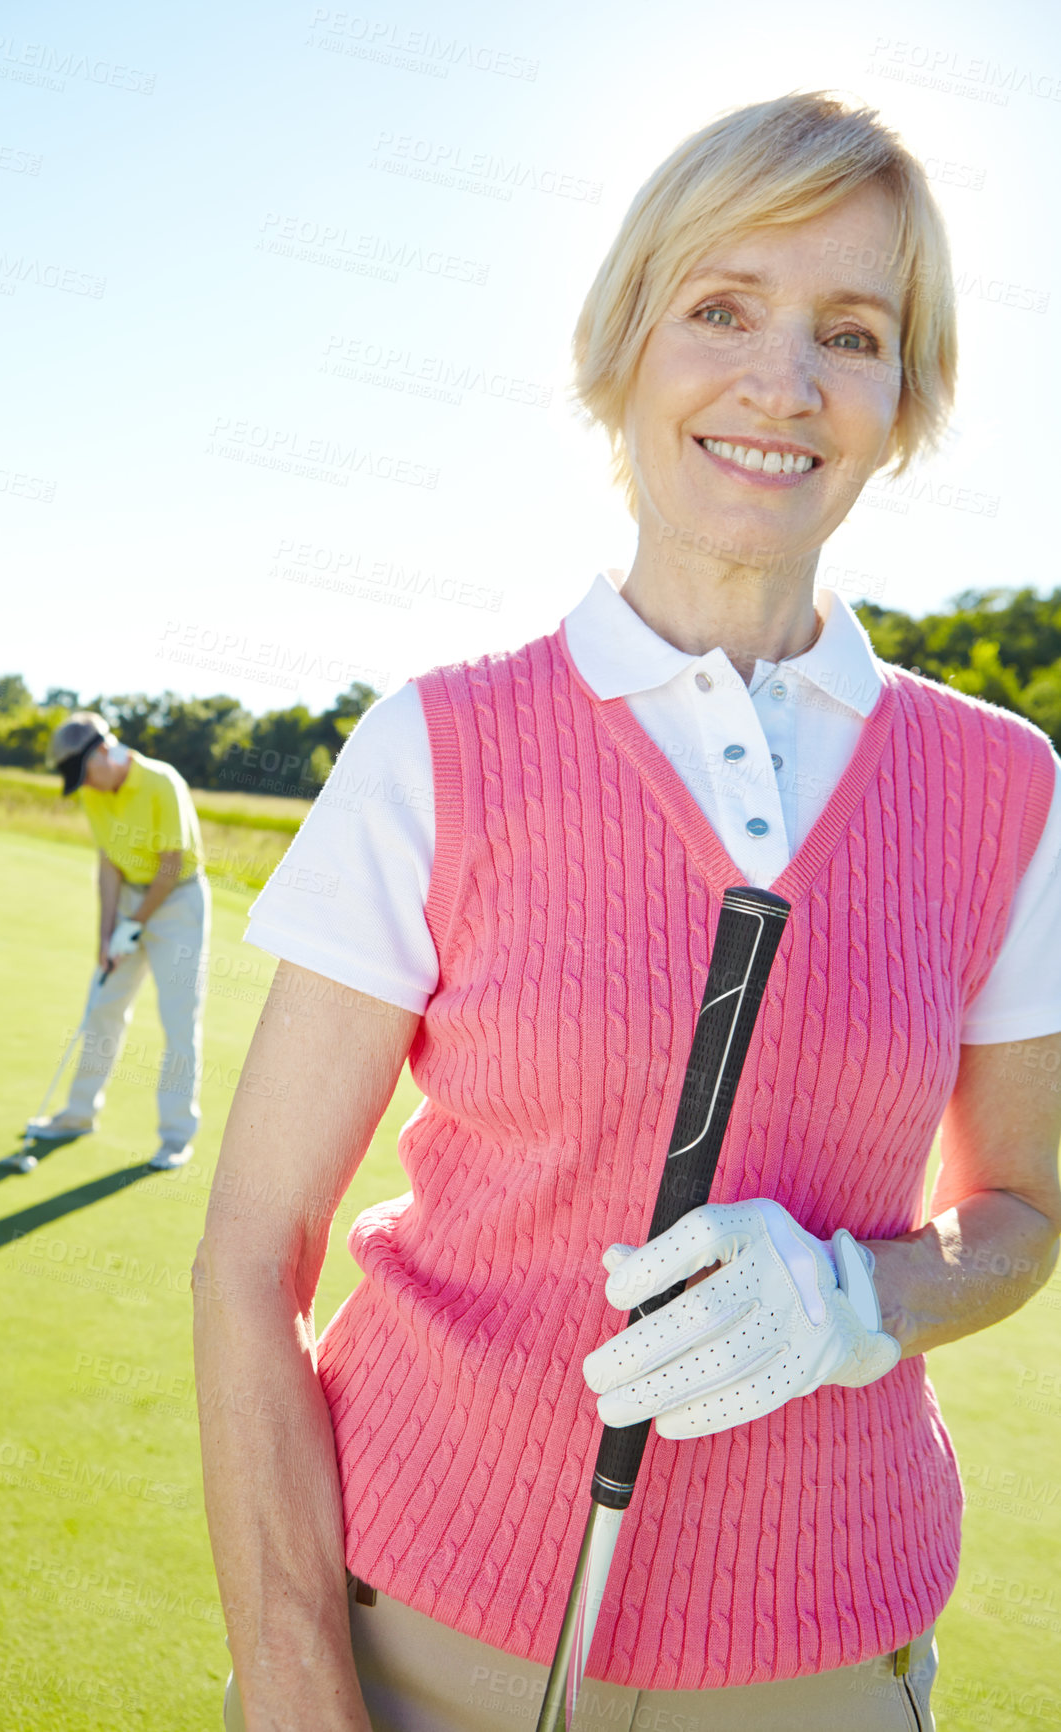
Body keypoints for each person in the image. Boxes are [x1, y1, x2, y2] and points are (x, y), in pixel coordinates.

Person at [194, 92, 1061, 1731]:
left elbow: (1017, 1208)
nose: (779, 382)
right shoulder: (438, 744)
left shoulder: (1006, 787)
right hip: (415, 1647)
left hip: (819, 1671)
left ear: (899, 398)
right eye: (719, 308)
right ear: (622, 349)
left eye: (849, 333)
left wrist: (857, 1298)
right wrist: (300, 1687)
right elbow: (249, 1252)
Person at [30, 710, 210, 1171]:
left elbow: (171, 864)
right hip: (129, 894)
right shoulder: (94, 792)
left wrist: (136, 923)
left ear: (104, 751)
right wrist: (107, 933)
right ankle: (77, 1115)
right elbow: (109, 864)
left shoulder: (160, 782)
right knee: (103, 1004)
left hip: (178, 903)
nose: (85, 786)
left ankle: (175, 1137)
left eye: (85, 774)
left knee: (178, 1019)